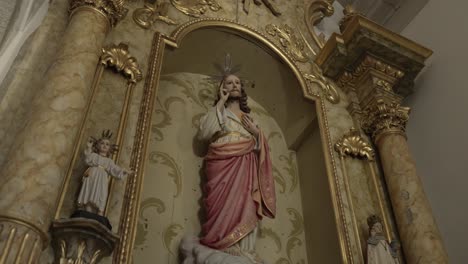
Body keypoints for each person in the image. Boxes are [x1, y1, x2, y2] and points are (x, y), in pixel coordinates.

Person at [195, 74, 276, 261]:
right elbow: (204, 134)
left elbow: (261, 149)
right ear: (222, 88)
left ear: (242, 88)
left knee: (245, 200)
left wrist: (257, 134)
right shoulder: (219, 112)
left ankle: (243, 247)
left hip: (246, 169)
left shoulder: (249, 119)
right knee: (223, 200)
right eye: (229, 83)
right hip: (221, 166)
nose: (234, 85)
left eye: (238, 83)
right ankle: (225, 241)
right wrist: (220, 103)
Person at [77, 130, 133, 216]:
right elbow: (87, 159)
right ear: (97, 145)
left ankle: (100, 212)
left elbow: (115, 169)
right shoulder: (94, 156)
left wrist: (123, 171)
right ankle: (87, 209)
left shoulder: (109, 161)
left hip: (102, 178)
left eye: (107, 144)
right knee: (90, 191)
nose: (104, 145)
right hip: (92, 175)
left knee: (102, 193)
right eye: (102, 143)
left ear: (110, 148)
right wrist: (88, 147)